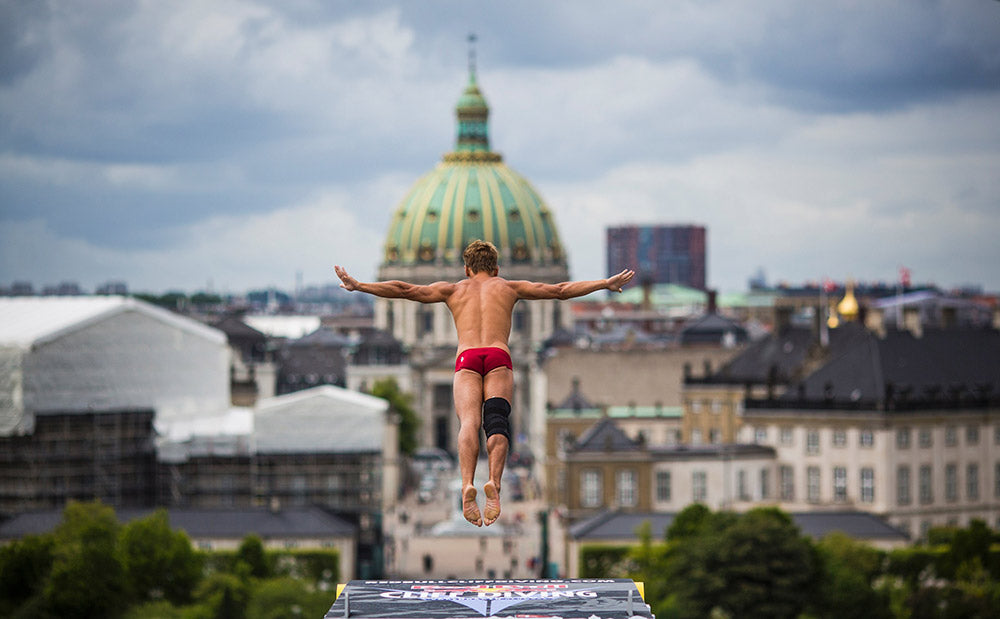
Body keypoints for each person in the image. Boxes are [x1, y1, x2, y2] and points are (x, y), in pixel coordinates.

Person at [335, 240, 634, 526]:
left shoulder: (452, 290)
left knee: (468, 423)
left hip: (466, 359)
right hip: (498, 357)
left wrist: (358, 285)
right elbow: (559, 290)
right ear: (497, 268)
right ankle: (494, 482)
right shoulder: (508, 287)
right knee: (497, 423)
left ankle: (467, 485)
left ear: (466, 269)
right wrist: (604, 284)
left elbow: (403, 289)